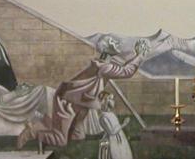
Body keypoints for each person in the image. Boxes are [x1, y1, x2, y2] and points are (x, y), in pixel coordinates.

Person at [18, 36, 149, 149]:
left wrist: (136, 56)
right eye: (113, 42)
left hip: (80, 103)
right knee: (61, 140)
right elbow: (126, 71)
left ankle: (45, 122)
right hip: (67, 102)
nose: (117, 43)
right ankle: (33, 132)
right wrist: (140, 56)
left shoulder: (102, 64)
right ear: (106, 48)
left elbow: (123, 69)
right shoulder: (103, 67)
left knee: (78, 136)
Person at [97, 92, 132, 159]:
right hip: (111, 141)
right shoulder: (103, 117)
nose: (113, 101)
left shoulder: (111, 114)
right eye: (110, 99)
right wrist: (124, 124)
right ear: (106, 101)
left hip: (119, 138)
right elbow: (111, 132)